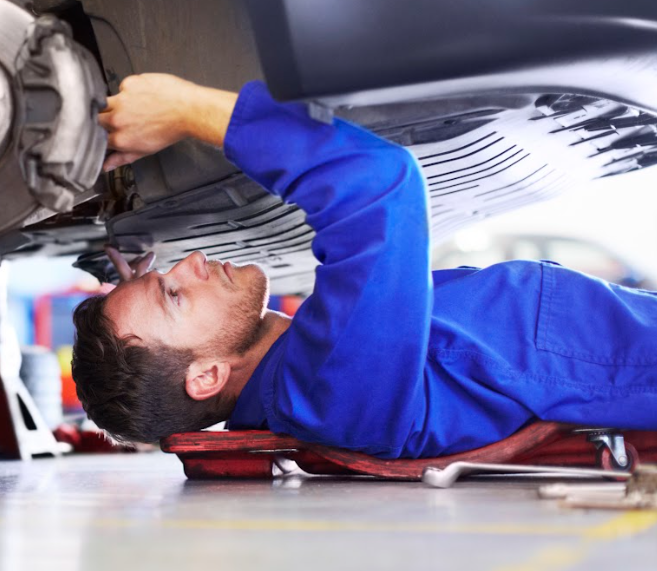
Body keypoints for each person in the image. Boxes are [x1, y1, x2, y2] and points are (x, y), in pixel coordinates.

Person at [71, 73, 657, 459]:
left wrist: (144, 295)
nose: (193, 260)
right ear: (206, 379)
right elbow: (379, 187)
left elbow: (169, 347)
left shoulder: (309, 377)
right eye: (175, 294)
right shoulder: (329, 389)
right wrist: (186, 109)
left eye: (167, 274)